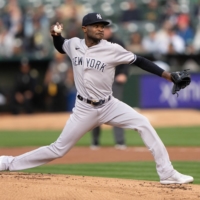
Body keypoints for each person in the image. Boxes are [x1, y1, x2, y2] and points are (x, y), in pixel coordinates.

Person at [0, 13, 193, 184]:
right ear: (85, 29)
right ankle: (8, 162)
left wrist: (168, 76)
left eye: (103, 26)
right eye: (96, 25)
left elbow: (140, 61)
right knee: (58, 149)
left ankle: (167, 173)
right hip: (84, 109)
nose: (101, 29)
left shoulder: (112, 49)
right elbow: (61, 47)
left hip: (109, 105)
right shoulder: (74, 44)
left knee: (143, 123)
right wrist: (55, 35)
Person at [91, 23, 129, 150]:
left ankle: (120, 141)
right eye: (103, 28)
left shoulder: (117, 43)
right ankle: (95, 142)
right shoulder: (94, 43)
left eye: (107, 28)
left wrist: (124, 73)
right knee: (96, 110)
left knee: (116, 110)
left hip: (114, 80)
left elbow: (127, 59)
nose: (105, 30)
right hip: (98, 82)